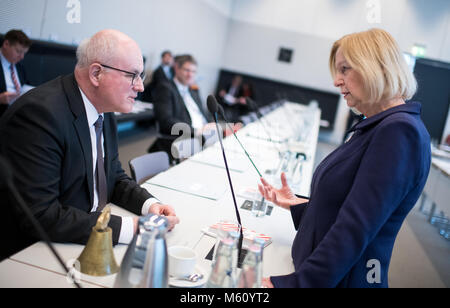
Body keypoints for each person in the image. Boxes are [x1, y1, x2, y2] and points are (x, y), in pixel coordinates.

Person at [258, 28, 431, 288]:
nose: (337, 81)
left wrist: (296, 285)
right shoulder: (377, 125)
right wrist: (298, 204)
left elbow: (355, 228)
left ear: (376, 67)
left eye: (345, 69)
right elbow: (349, 208)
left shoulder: (398, 131)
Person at [0, 29, 179, 260]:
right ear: (96, 73)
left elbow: (113, 176)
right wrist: (131, 228)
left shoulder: (105, 110)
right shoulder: (40, 115)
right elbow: (41, 215)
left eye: (141, 76)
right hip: (36, 252)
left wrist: (149, 206)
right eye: (132, 75)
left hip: (80, 237)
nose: (140, 87)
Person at [148, 54, 213, 161]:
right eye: (187, 70)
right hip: (184, 139)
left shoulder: (194, 90)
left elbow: (203, 114)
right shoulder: (165, 88)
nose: (190, 75)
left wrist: (211, 124)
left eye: (193, 71)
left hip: (204, 137)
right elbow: (166, 121)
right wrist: (195, 131)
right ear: (177, 68)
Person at [0, 29, 32, 117]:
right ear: (6, 44)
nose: (22, 57)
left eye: (24, 53)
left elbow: (26, 88)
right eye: (18, 51)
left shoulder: (20, 67)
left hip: (17, 116)